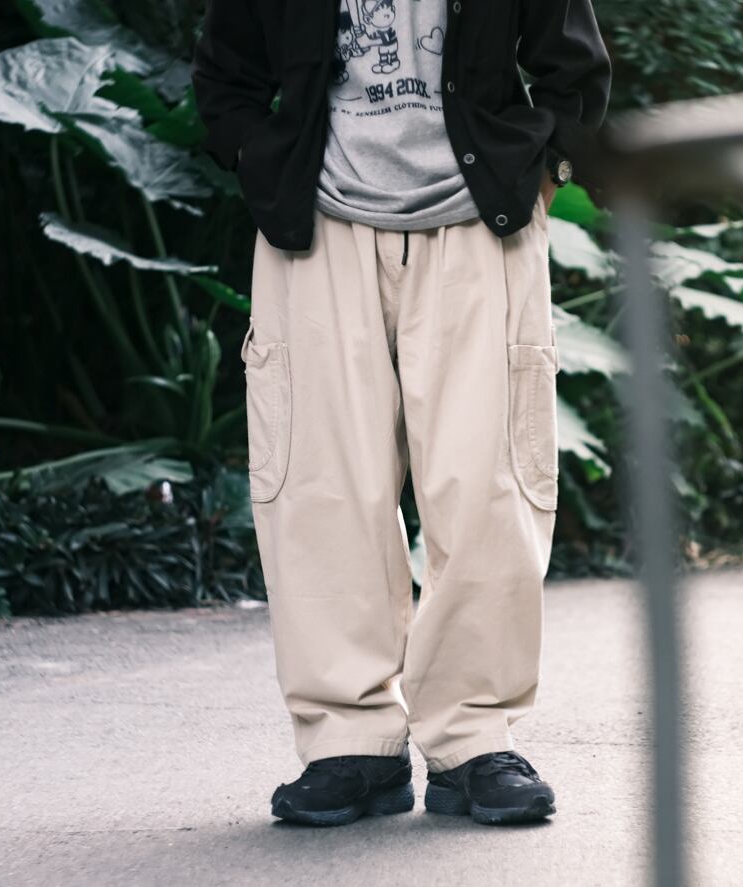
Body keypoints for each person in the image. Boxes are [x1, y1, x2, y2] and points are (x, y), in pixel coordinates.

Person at [191, 0, 610, 827]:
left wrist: (540, 174)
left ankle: (473, 738)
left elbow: (576, 70)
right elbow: (225, 70)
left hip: (480, 226)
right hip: (315, 227)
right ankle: (350, 742)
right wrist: (262, 160)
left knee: (488, 486)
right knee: (320, 487)